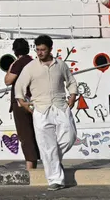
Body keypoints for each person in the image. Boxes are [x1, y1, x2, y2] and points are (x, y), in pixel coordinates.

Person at [12, 34, 79, 191]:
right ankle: (55, 180)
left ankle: (53, 160)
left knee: (70, 136)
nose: (40, 53)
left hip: (60, 106)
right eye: (38, 50)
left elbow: (71, 82)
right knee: (46, 145)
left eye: (43, 50)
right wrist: (23, 103)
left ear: (50, 49)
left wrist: (73, 96)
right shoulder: (30, 67)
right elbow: (19, 86)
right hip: (40, 109)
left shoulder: (61, 65)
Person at [3, 38, 40, 172]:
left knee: (25, 134)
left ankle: (30, 167)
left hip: (20, 102)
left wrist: (11, 66)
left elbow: (8, 80)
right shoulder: (33, 62)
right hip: (36, 101)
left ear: (15, 50)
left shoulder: (19, 63)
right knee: (38, 132)